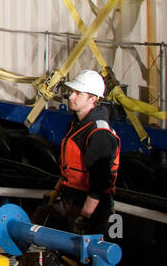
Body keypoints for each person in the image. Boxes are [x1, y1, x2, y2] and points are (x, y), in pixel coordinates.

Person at [35, 69, 119, 243]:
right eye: (71, 91)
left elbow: (100, 182)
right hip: (69, 198)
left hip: (90, 206)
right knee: (39, 223)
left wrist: (86, 216)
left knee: (86, 258)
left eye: (77, 93)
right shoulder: (78, 124)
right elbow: (70, 167)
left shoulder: (99, 132)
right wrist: (56, 191)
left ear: (93, 99)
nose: (70, 96)